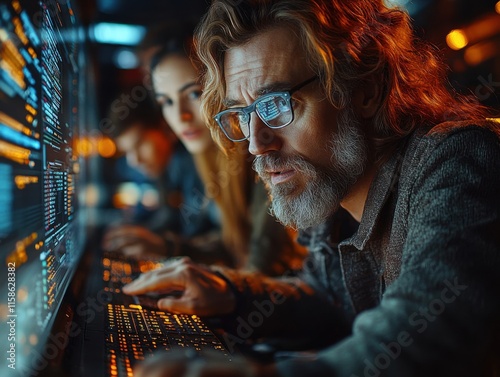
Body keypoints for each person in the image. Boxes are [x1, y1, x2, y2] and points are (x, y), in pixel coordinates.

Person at [123, 0, 500, 376]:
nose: (256, 143)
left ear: (364, 88)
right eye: (243, 114)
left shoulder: (457, 157)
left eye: (275, 104)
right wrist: (229, 294)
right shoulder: (332, 195)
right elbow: (328, 300)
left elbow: (435, 327)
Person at [143, 27, 306, 275]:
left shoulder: (262, 154)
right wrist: (165, 246)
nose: (181, 116)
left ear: (223, 90)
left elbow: (266, 261)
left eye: (194, 94)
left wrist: (226, 290)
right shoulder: (207, 157)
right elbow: (233, 245)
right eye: (167, 102)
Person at [102, 93, 223, 262]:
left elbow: (224, 243)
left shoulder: (195, 164)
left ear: (166, 128)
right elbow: (171, 218)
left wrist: (167, 246)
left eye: (140, 144)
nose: (135, 160)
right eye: (127, 152)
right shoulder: (167, 170)